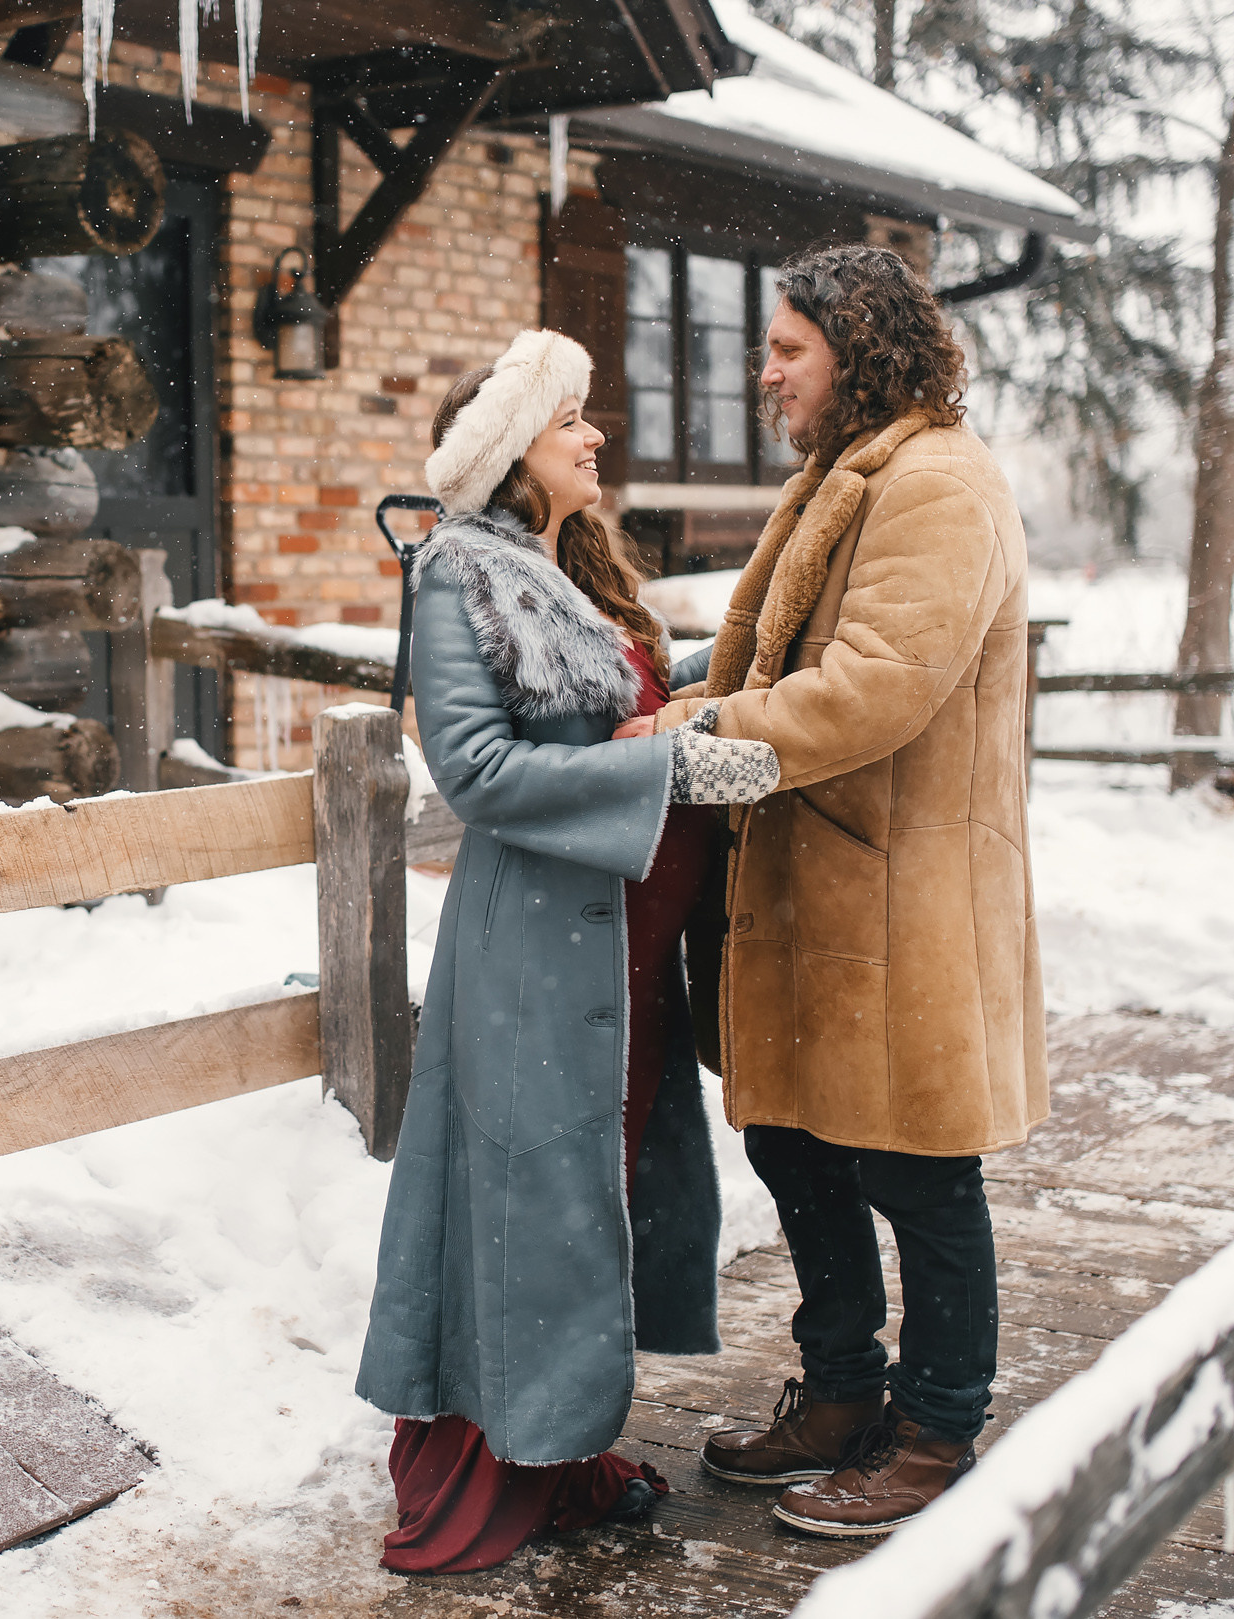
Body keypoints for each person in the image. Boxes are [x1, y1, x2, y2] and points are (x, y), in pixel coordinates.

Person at [621, 243, 1045, 1536]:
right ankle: (846, 1392)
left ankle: (935, 1429)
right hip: (808, 897)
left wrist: (688, 743)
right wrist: (667, 692)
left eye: (788, 348)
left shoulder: (938, 484)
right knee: (797, 1142)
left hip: (901, 900)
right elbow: (768, 653)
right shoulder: (841, 479)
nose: (767, 373)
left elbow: (874, 686)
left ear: (861, 352)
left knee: (919, 1168)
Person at [355, 328, 782, 1575]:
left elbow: (623, 702)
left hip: (626, 949)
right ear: (506, 453)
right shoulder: (458, 574)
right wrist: (670, 762)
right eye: (567, 422)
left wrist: (737, 688)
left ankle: (559, 1442)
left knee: (582, 1198)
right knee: (521, 1196)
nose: (594, 435)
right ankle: (489, 1469)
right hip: (539, 946)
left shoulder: (572, 565)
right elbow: (477, 772)